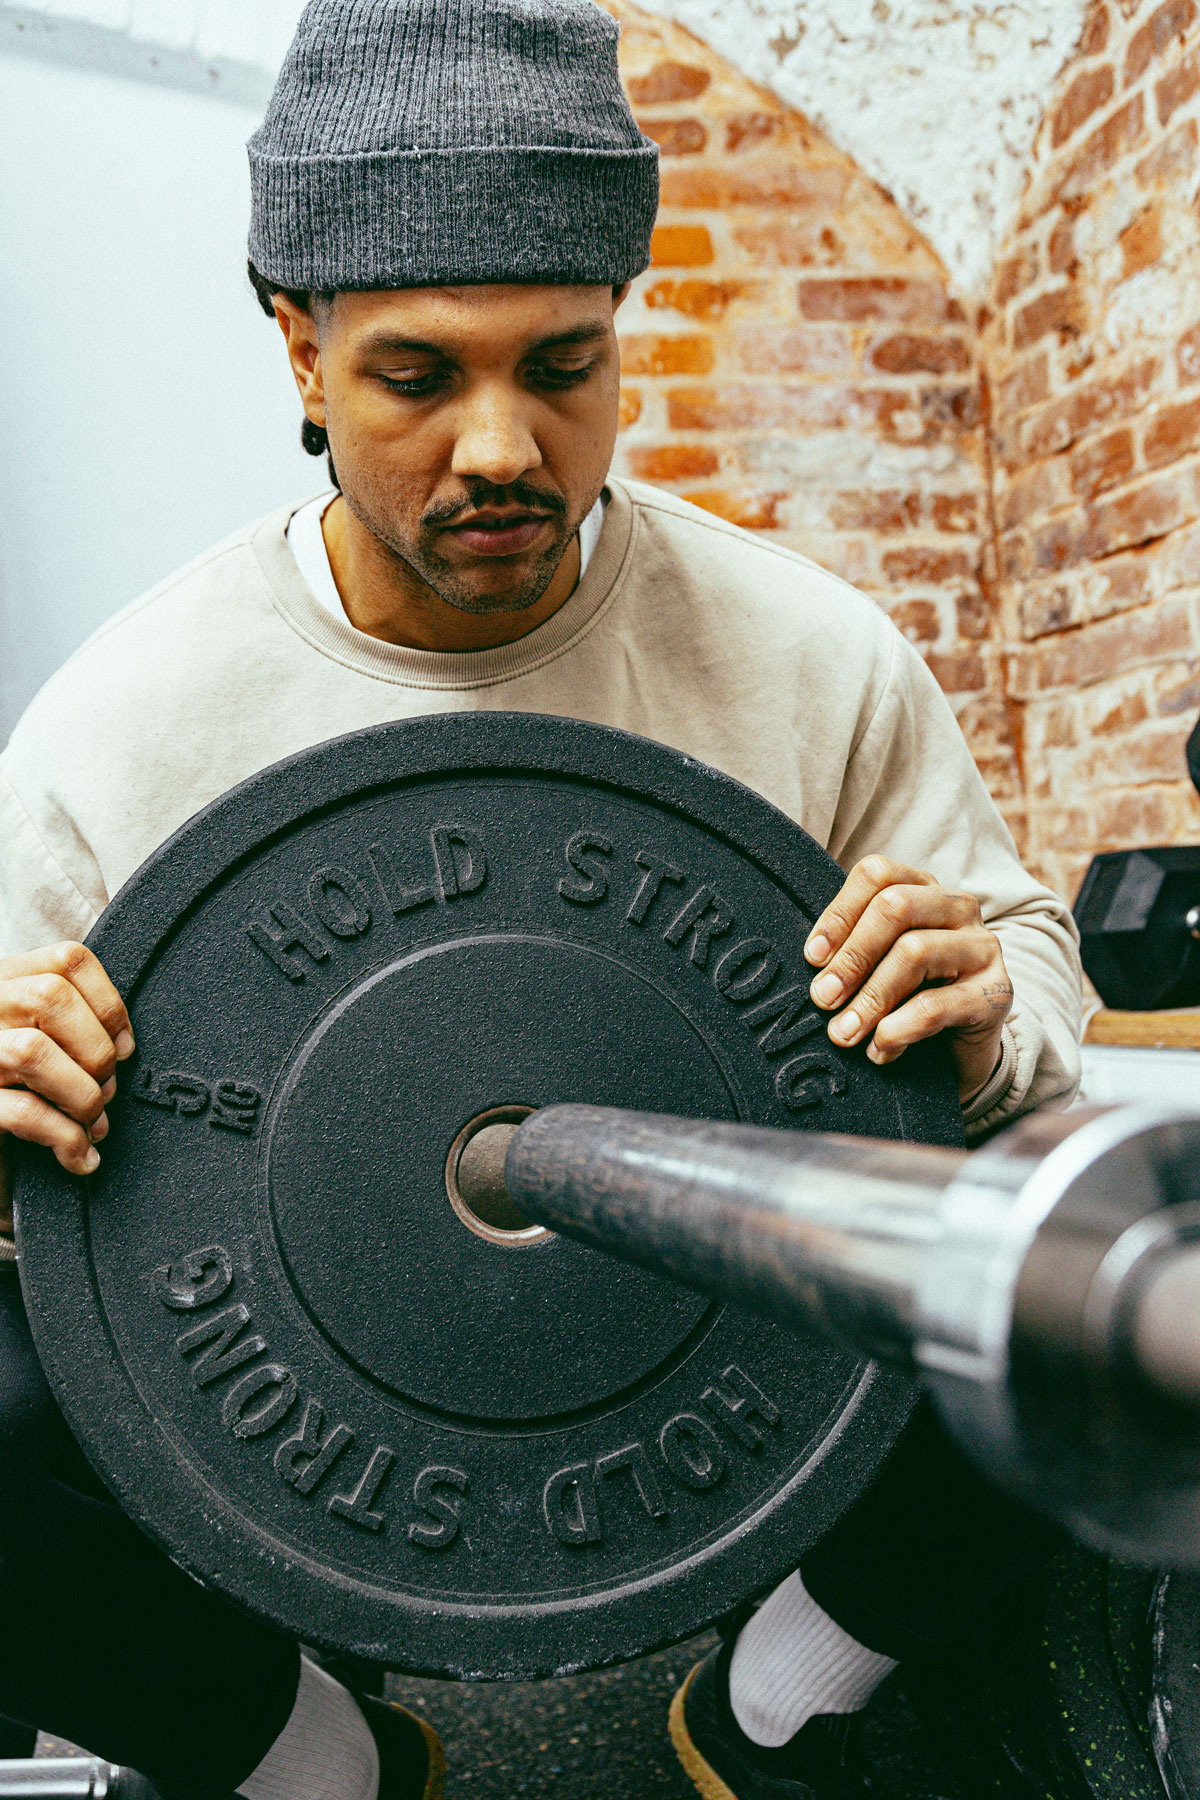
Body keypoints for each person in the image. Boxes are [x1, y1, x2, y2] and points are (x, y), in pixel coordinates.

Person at [0, 1, 1082, 1796]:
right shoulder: (127, 723)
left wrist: (986, 1014)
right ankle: (303, 1757)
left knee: (1093, 1302)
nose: (502, 447)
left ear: (617, 342)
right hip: (304, 1395)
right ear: (299, 351)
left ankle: (779, 1700)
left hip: (743, 1364)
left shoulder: (806, 658)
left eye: (564, 368)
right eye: (418, 378)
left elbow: (1032, 976)